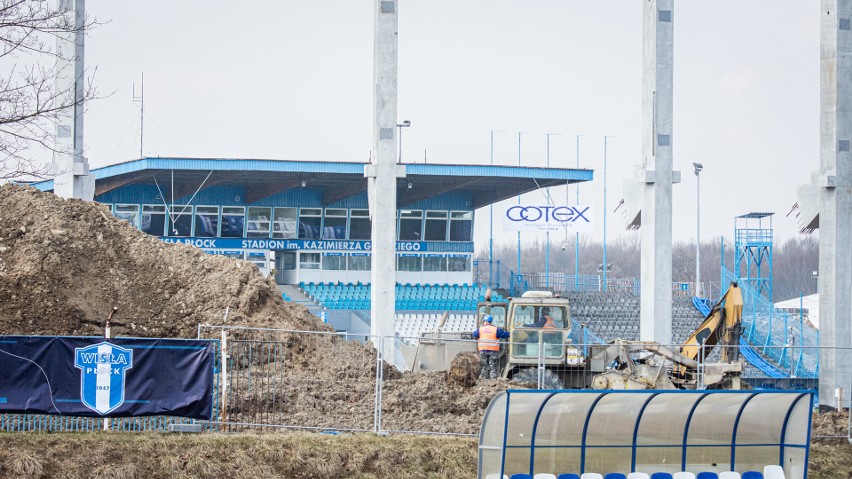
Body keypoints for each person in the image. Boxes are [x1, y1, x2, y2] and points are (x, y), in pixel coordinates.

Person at [471, 315, 509, 379]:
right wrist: (509, 333)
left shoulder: (480, 329)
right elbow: (505, 335)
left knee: (483, 365)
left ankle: (484, 377)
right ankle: (493, 378)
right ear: (490, 322)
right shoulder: (496, 329)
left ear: (485, 322)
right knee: (493, 365)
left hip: (483, 350)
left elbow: (474, 335)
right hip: (493, 351)